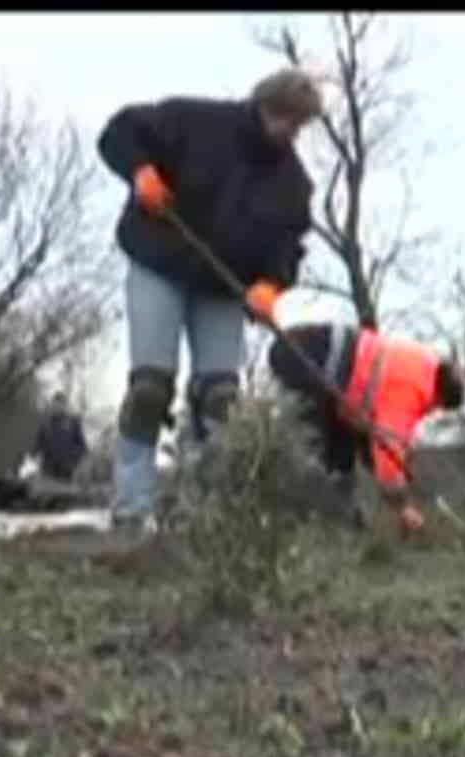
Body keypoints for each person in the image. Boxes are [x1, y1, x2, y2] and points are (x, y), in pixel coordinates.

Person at [96, 68, 323, 528]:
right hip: (159, 261)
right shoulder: (192, 121)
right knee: (149, 389)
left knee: (220, 399)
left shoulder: (292, 184)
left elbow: (287, 247)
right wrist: (141, 171)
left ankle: (202, 507)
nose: (288, 131)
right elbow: (120, 131)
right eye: (284, 118)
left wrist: (270, 285)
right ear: (263, 106)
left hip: (222, 286)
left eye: (297, 124)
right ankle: (132, 507)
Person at [263, 321, 465, 537]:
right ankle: (300, 521)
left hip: (322, 346)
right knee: (310, 450)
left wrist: (398, 467)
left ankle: (338, 520)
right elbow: (387, 453)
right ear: (441, 399)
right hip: (316, 358)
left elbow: (375, 435)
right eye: (438, 408)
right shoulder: (414, 392)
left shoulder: (423, 363)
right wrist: (402, 506)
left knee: (341, 451)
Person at [31, 391, 89, 483]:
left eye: (60, 404)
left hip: (66, 469)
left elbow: (82, 446)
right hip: (48, 467)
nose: (57, 406)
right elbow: (37, 444)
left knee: (63, 493)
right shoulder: (45, 423)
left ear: (65, 405)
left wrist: (73, 458)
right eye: (55, 403)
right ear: (52, 404)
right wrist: (32, 456)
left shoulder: (72, 422)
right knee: (47, 493)